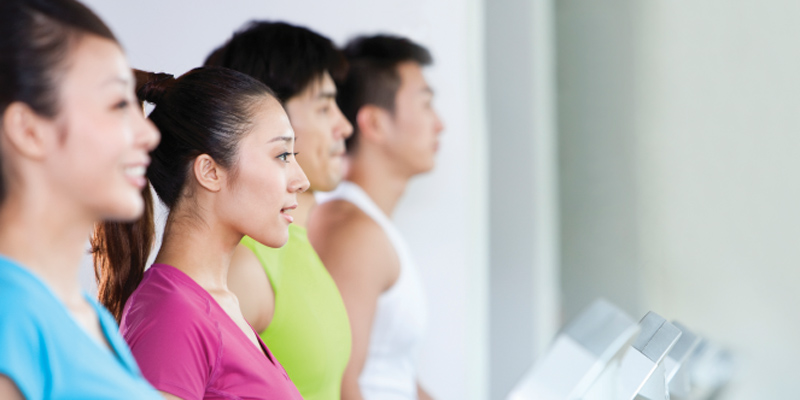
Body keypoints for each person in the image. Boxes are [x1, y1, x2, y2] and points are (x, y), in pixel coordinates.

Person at [92, 67, 309, 400]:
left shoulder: (215, 305)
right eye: (282, 155)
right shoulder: (174, 315)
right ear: (210, 171)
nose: (301, 180)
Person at [0, 0, 162, 399]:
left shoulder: (88, 317)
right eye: (118, 104)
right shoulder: (10, 318)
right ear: (29, 130)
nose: (149, 134)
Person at [204, 21, 354, 400]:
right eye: (324, 107)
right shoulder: (244, 267)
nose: (344, 126)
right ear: (267, 117)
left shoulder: (297, 246)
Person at [310, 35, 444, 400]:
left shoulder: (369, 226)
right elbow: (340, 382)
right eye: (426, 104)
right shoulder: (352, 231)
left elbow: (396, 374)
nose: (440, 124)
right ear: (374, 123)